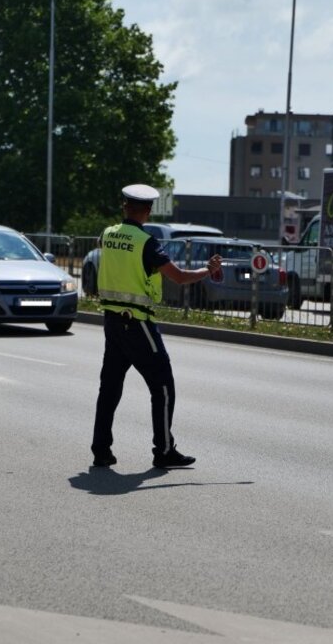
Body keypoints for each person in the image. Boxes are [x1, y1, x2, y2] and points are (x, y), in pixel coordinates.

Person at [91, 184, 222, 469]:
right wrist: (207, 270)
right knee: (163, 386)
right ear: (148, 211)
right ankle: (163, 450)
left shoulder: (108, 235)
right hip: (137, 323)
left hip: (112, 322)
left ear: (124, 206)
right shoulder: (146, 242)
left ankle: (101, 450)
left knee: (109, 388)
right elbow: (179, 277)